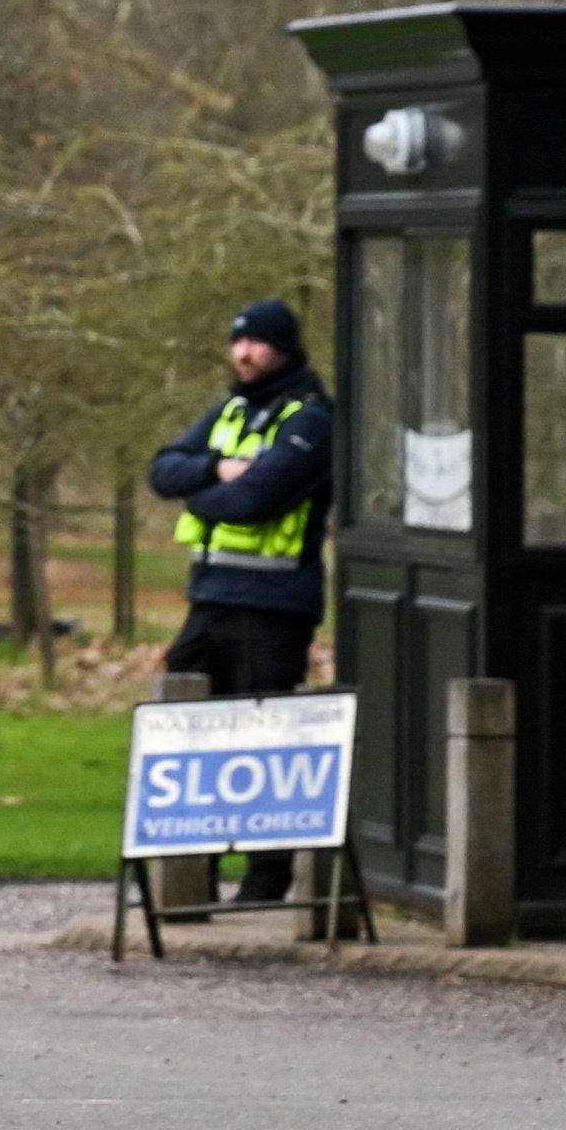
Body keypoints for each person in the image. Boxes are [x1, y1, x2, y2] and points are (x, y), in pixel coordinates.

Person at [146, 294, 337, 904]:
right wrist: (220, 467)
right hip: (212, 599)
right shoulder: (231, 409)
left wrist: (203, 487)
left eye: (255, 342)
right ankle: (186, 873)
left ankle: (266, 878)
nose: (243, 353)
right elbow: (161, 470)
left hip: (275, 602)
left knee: (265, 735)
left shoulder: (310, 418)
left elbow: (254, 501)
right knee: (185, 726)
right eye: (237, 342)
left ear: (284, 347)